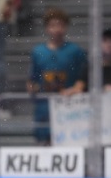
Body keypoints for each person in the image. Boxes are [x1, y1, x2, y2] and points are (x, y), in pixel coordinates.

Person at [26, 8, 87, 145]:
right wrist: (32, 87)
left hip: (69, 108)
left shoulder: (75, 51)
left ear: (66, 27)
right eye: (53, 25)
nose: (57, 29)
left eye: (60, 25)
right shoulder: (38, 52)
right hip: (44, 108)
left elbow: (84, 77)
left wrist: (76, 88)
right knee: (45, 146)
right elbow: (32, 79)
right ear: (47, 28)